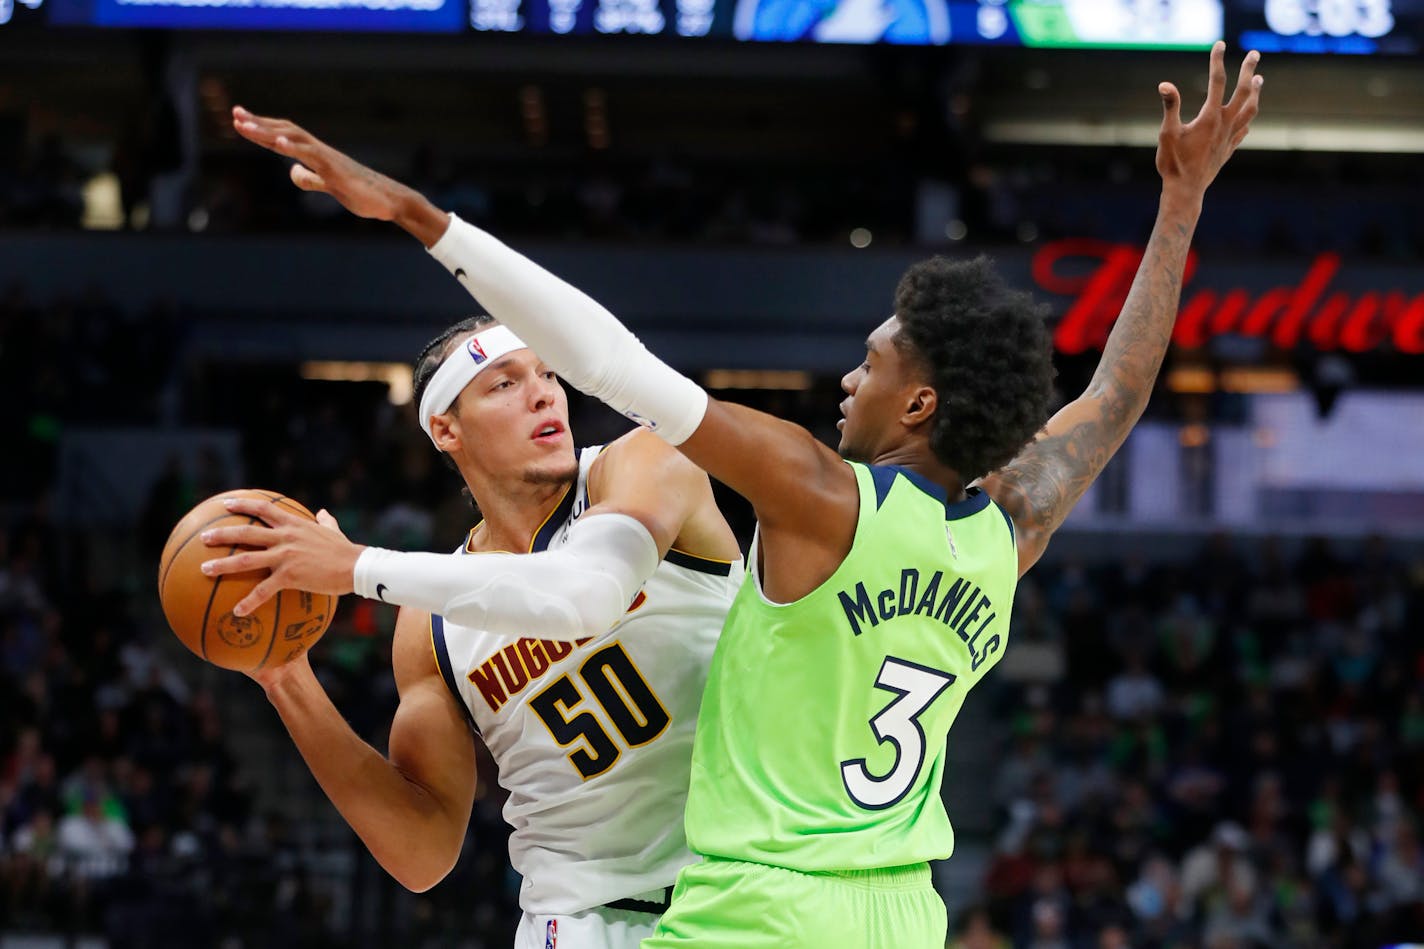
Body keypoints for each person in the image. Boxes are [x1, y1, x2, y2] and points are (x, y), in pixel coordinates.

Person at [223, 40, 1261, 948]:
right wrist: (1178, 206)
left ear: (921, 403)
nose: (848, 380)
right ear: (443, 429)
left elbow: (615, 367)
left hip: (751, 907)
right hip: (894, 907)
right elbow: (1114, 397)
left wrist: (418, 217)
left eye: (873, 364)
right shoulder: (1006, 527)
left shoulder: (815, 496)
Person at [200, 313, 744, 948]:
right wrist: (287, 679)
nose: (543, 392)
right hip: (575, 921)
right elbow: (421, 853)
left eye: (546, 373)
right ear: (445, 429)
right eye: (503, 384)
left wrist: (357, 567)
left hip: (736, 891)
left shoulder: (643, 463)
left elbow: (584, 594)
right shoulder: (428, 625)